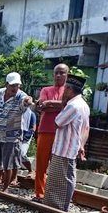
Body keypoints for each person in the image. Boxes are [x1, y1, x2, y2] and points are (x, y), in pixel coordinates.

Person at [43, 74, 90, 211]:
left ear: (70, 89)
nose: (64, 91)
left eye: (65, 89)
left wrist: (62, 102)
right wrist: (82, 145)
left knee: (63, 179)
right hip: (69, 147)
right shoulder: (83, 105)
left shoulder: (73, 106)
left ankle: (60, 206)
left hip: (65, 148)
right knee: (60, 178)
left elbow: (57, 122)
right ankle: (54, 205)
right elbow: (85, 128)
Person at [0, 72, 33, 191]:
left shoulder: (21, 96)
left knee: (8, 165)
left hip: (12, 136)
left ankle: (5, 189)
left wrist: (28, 101)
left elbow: (26, 101)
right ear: (6, 85)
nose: (15, 88)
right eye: (12, 85)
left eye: (17, 85)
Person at [34, 64, 69, 202]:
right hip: (45, 130)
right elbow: (42, 106)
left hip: (62, 132)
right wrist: (59, 105)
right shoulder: (46, 89)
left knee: (59, 165)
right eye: (56, 73)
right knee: (41, 163)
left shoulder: (69, 91)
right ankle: (40, 194)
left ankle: (56, 195)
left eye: (62, 72)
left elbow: (68, 106)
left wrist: (50, 104)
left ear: (67, 75)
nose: (59, 75)